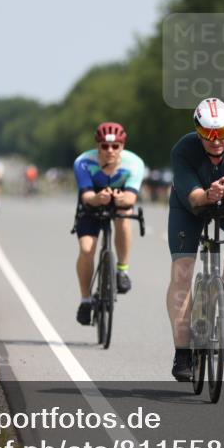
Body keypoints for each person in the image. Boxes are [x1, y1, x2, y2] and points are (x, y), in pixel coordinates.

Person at [166, 98, 224, 381]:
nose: (216, 140)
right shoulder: (183, 150)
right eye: (208, 133)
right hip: (189, 204)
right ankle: (182, 353)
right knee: (181, 271)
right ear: (198, 131)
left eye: (222, 132)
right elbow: (194, 198)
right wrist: (208, 195)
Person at [73, 122, 146, 324]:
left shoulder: (134, 163)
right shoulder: (83, 162)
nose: (110, 151)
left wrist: (122, 199)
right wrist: (99, 199)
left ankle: (122, 270)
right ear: (98, 146)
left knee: (124, 215)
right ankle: (85, 300)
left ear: (122, 146)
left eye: (115, 146)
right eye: (105, 146)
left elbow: (132, 197)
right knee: (87, 250)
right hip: (92, 206)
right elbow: (87, 196)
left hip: (119, 204)